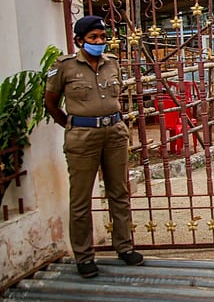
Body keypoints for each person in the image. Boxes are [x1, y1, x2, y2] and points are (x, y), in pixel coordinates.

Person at [43, 15, 144, 278]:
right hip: (83, 136)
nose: (99, 42)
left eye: (102, 37)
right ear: (80, 41)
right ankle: (85, 256)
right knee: (80, 198)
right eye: (93, 38)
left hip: (114, 133)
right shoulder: (64, 67)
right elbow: (51, 102)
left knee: (119, 192)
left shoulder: (113, 64)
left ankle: (124, 247)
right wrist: (73, 125)